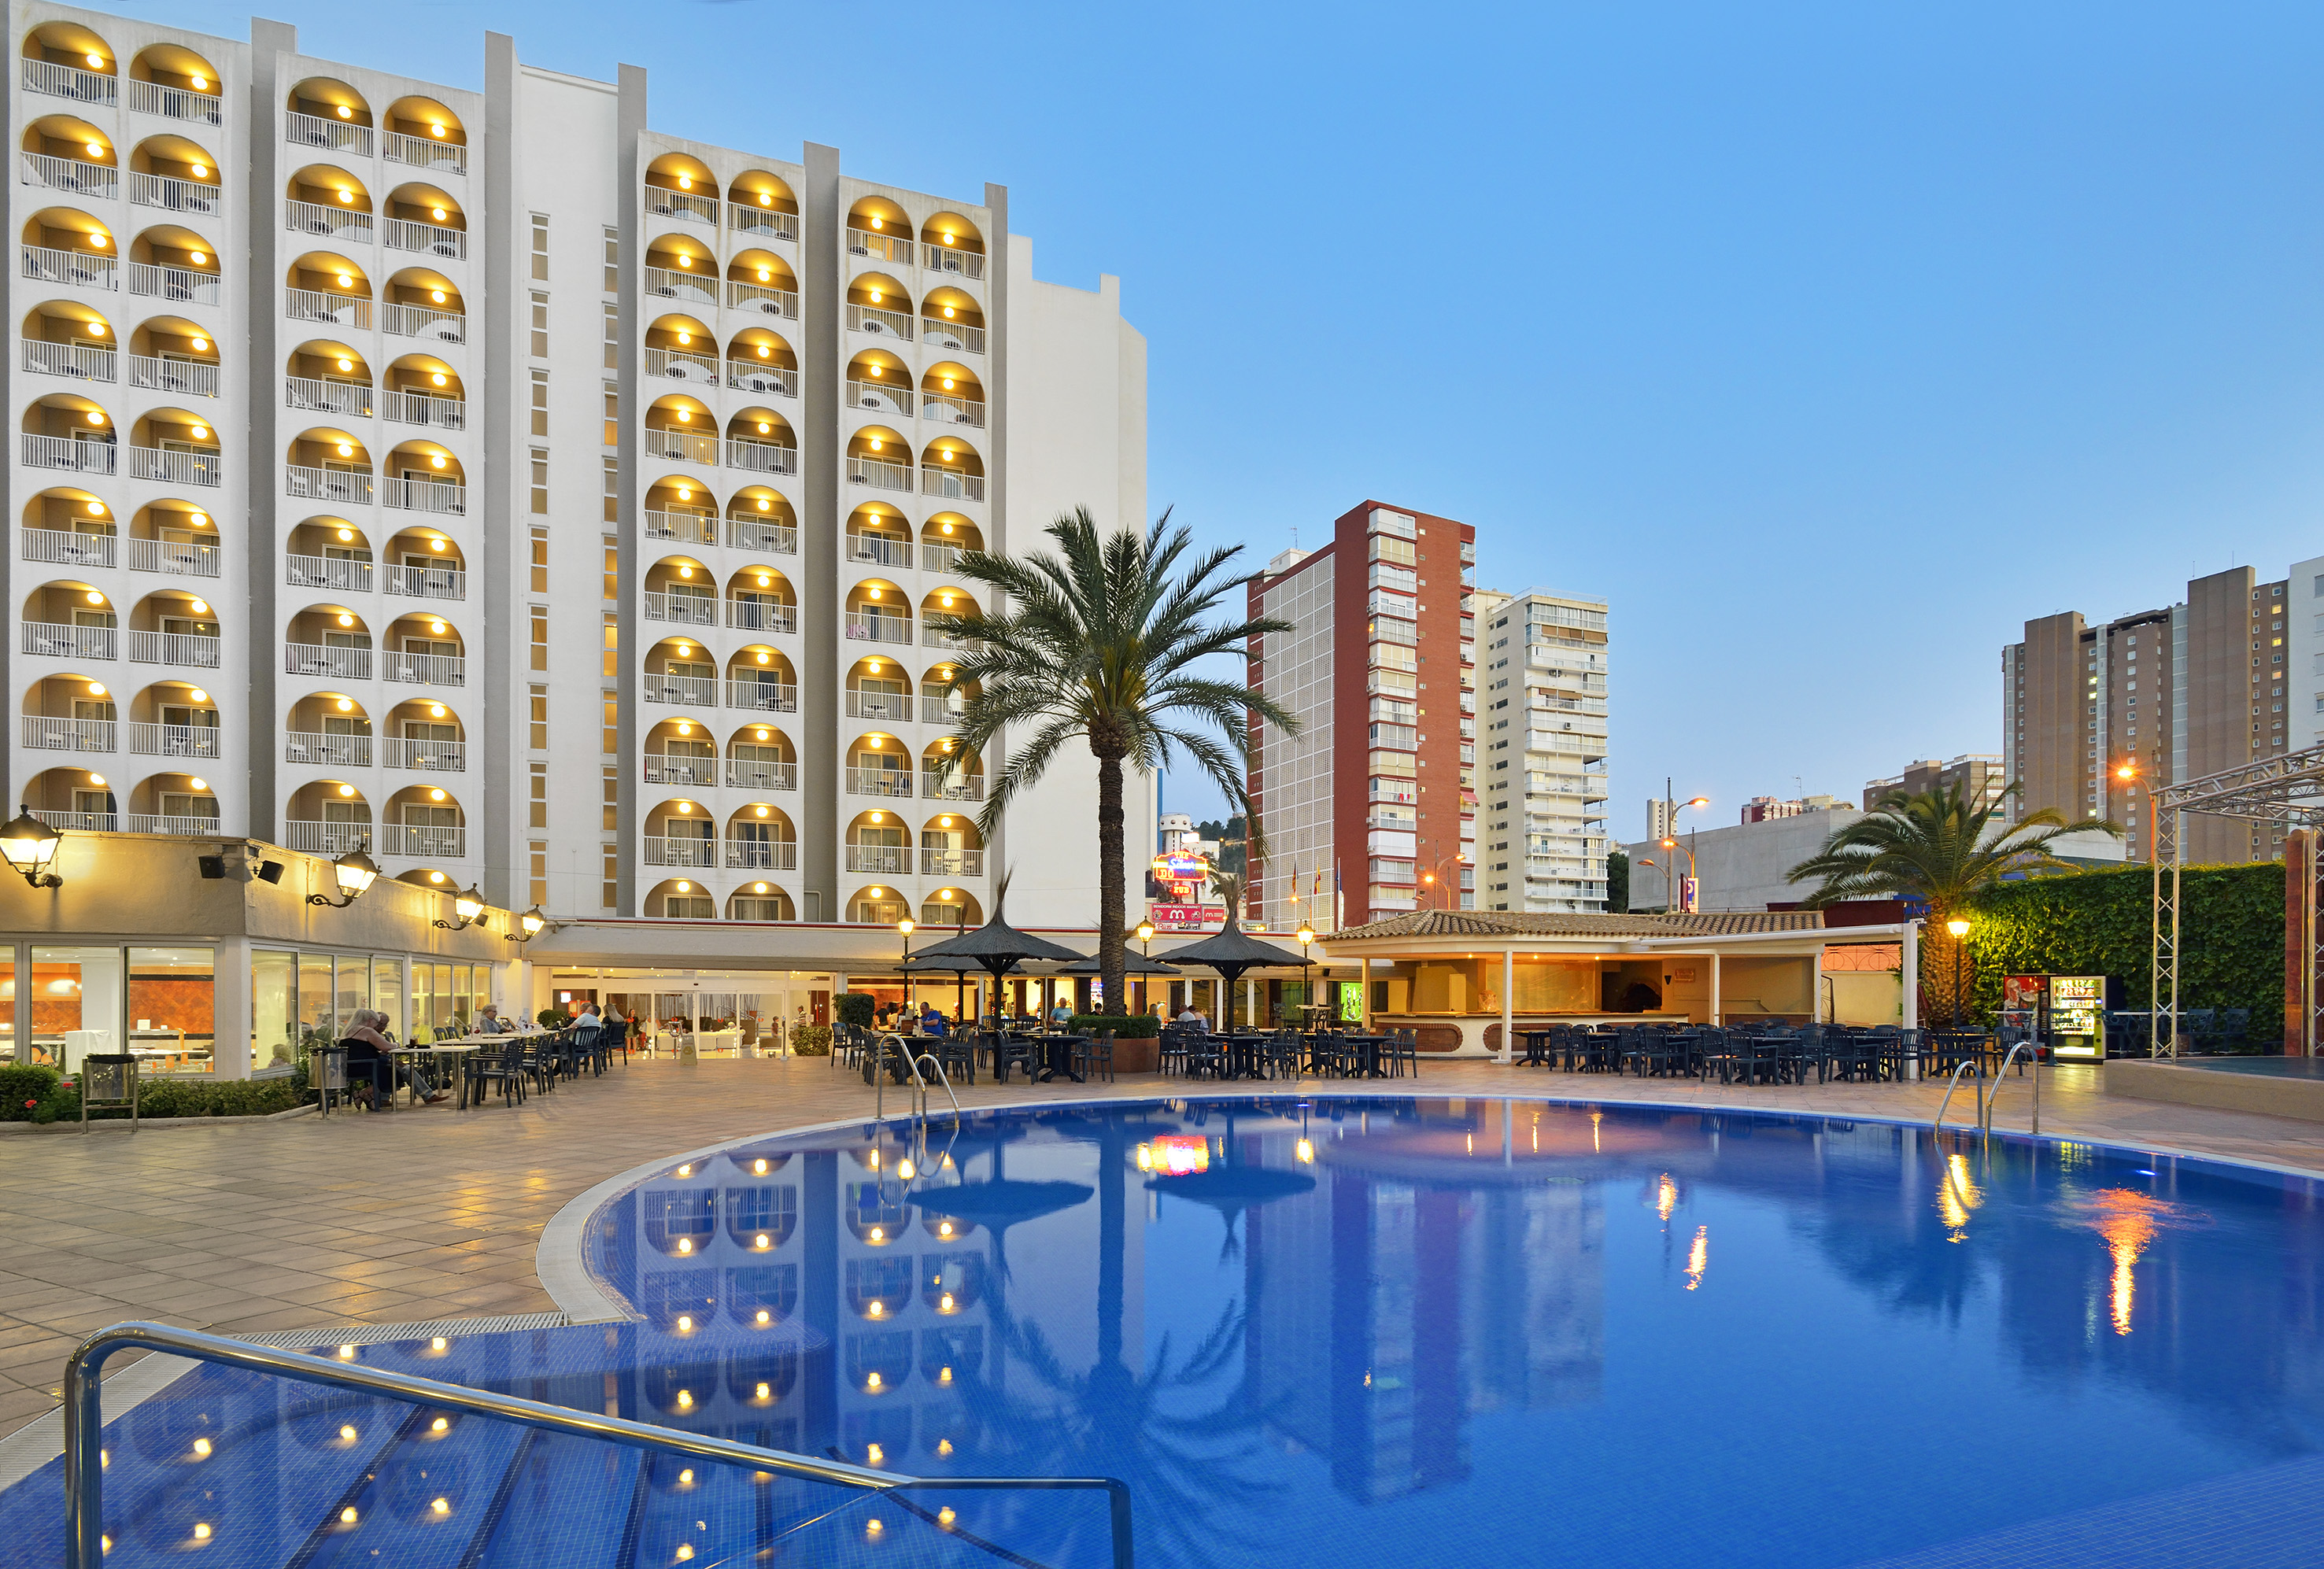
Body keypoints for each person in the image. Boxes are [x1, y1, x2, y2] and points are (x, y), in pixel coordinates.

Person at [343, 1009, 446, 1109]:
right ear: (370, 1020)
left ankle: (375, 1097)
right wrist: (396, 1044)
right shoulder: (367, 1031)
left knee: (400, 1068)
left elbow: (362, 1050)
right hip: (369, 1065)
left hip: (353, 1066)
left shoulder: (349, 1031)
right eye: (376, 1022)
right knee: (400, 1070)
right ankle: (363, 1094)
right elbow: (388, 1046)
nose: (377, 1026)